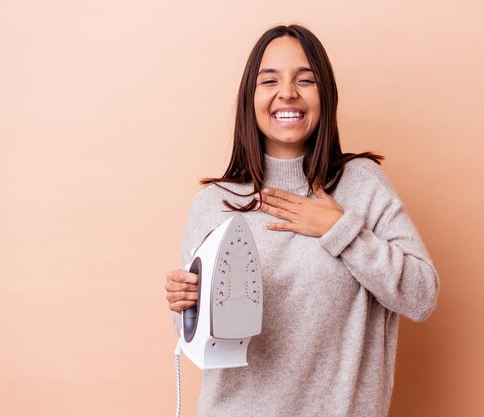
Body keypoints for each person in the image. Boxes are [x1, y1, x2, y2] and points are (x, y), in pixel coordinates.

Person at [165, 24, 440, 417]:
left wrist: (340, 230)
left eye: (305, 79)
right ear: (250, 98)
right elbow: (204, 343)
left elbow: (422, 297)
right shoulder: (214, 204)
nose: (288, 92)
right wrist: (186, 308)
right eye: (270, 80)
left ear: (324, 95)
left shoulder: (361, 185)